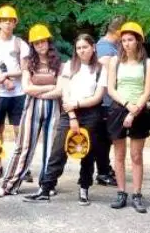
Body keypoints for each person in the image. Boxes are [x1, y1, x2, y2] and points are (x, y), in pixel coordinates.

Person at [23, 33, 106, 205]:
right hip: (69, 112)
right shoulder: (69, 66)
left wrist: (77, 103)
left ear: (93, 47)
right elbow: (65, 91)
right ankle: (45, 188)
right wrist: (72, 113)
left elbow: (98, 97)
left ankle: (84, 188)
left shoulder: (100, 69)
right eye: (78, 48)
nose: (82, 51)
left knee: (87, 153)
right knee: (57, 151)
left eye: (85, 47)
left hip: (91, 113)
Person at [0, 24, 62, 197]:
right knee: (23, 145)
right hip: (32, 106)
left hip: (53, 108)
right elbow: (26, 88)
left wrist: (41, 89)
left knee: (51, 149)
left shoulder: (58, 62)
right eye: (36, 43)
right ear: (32, 45)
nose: (40, 45)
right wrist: (50, 87)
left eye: (43, 41)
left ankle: (47, 185)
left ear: (48, 42)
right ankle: (8, 185)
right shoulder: (29, 62)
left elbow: (61, 89)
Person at [106, 21, 150, 212]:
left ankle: (137, 194)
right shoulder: (115, 61)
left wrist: (134, 110)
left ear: (138, 41)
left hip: (139, 110)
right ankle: (121, 192)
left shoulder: (147, 63)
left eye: (130, 40)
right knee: (119, 155)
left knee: (136, 155)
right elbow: (111, 88)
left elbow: (147, 91)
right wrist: (127, 106)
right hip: (119, 108)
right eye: (123, 40)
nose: (126, 43)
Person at [0, 5, 30, 181]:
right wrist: (2, 79)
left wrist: (8, 75)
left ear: (15, 23)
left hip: (18, 93)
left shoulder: (20, 44)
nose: (7, 24)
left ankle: (22, 166)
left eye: (11, 21)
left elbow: (25, 70)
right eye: (4, 20)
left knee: (20, 131)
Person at [93, 15, 125, 187]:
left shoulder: (110, 46)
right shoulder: (105, 48)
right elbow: (109, 71)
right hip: (105, 100)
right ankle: (103, 172)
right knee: (104, 139)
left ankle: (104, 169)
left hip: (108, 99)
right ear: (118, 32)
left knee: (106, 137)